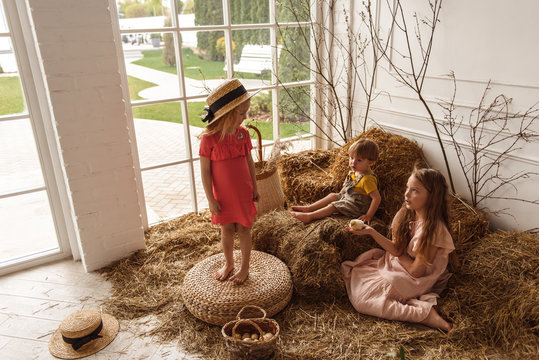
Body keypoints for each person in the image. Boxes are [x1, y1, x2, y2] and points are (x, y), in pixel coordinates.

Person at [341, 167, 454, 331]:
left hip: (416, 277)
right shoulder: (407, 213)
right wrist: (371, 232)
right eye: (407, 188)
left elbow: (417, 271)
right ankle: (412, 304)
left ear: (432, 197)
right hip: (400, 263)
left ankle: (424, 314)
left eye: (414, 190)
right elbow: (396, 248)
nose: (406, 194)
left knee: (362, 300)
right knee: (355, 273)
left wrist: (399, 254)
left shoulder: (433, 230)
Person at [199, 79, 259, 285]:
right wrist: (210, 200)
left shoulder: (243, 135)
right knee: (226, 230)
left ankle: (244, 267)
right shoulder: (209, 140)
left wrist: (255, 187)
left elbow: (249, 161)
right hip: (222, 197)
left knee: (244, 229)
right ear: (227, 114)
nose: (245, 117)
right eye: (241, 114)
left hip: (243, 193)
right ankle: (229, 263)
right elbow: (205, 173)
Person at [291, 139, 381, 224]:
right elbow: (346, 188)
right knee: (332, 196)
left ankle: (310, 216)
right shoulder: (354, 172)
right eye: (351, 158)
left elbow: (376, 198)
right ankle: (309, 208)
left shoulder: (367, 179)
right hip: (349, 199)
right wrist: (339, 196)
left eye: (359, 160)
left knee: (333, 206)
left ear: (370, 163)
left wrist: (368, 215)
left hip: (358, 207)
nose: (353, 162)